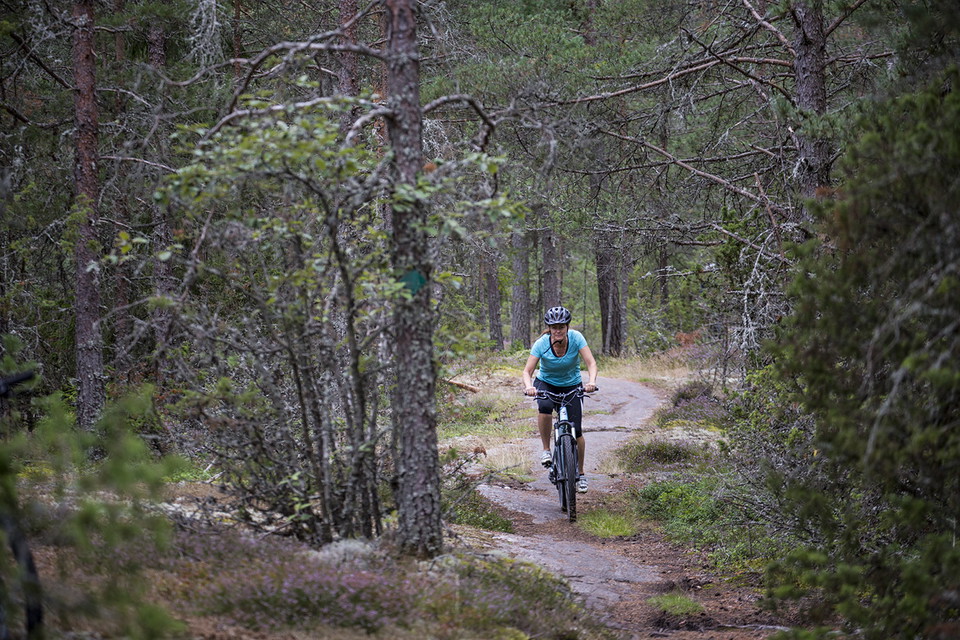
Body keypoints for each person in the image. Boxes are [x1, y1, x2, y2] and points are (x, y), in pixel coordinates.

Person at [522, 306, 598, 493]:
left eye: (561, 327)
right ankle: (547, 450)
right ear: (549, 327)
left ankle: (580, 474)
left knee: (577, 430)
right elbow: (527, 371)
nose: (558, 330)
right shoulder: (541, 343)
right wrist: (529, 387)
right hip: (546, 383)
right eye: (554, 327)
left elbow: (591, 363)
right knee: (545, 406)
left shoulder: (576, 338)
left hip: (572, 384)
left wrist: (592, 382)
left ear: (567, 327)